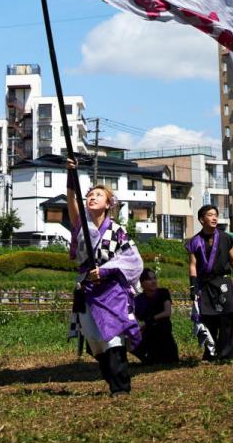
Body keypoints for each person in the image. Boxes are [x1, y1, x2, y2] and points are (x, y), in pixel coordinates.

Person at [66, 158, 143, 397]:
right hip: (88, 289)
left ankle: (121, 388)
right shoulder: (81, 226)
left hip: (110, 290)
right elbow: (72, 200)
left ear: (108, 203)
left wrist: (107, 270)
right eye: (89, 194)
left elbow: (133, 260)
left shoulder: (118, 231)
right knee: (95, 340)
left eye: (98, 195)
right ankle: (113, 382)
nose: (92, 197)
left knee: (112, 337)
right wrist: (72, 174)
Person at [186, 204, 233, 364]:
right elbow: (193, 264)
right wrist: (192, 286)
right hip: (205, 284)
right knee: (208, 319)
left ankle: (227, 354)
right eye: (210, 215)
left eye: (216, 215)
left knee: (228, 317)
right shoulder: (195, 241)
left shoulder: (226, 238)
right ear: (201, 219)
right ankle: (211, 353)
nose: (214, 218)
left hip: (223, 282)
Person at [132, 268, 179, 365]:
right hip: (148, 333)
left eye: (154, 278)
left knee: (161, 326)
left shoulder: (163, 293)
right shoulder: (138, 300)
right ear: (142, 283)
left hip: (162, 331)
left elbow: (167, 312)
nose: (153, 281)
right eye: (149, 279)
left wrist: (148, 321)